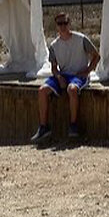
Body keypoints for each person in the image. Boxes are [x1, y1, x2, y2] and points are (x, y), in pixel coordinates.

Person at [32, 13, 100, 142]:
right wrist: (58, 77)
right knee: (42, 91)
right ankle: (43, 126)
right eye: (60, 24)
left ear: (69, 24)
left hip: (78, 74)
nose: (63, 26)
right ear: (56, 26)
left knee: (72, 89)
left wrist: (87, 71)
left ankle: (73, 125)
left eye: (65, 23)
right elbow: (53, 67)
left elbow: (96, 55)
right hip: (63, 74)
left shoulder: (81, 39)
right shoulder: (54, 46)